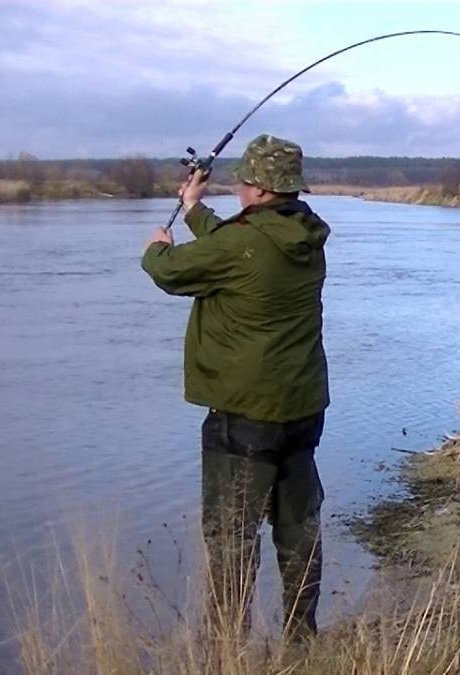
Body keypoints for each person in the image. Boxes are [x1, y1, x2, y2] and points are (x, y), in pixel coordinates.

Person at [141, 134, 331, 638]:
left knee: (230, 535)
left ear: (263, 190)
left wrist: (158, 247)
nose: (241, 188)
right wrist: (194, 208)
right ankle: (301, 639)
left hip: (244, 417)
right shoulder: (306, 237)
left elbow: (169, 272)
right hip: (302, 409)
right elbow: (239, 246)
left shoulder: (243, 244)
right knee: (299, 529)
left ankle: (225, 649)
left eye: (246, 182)